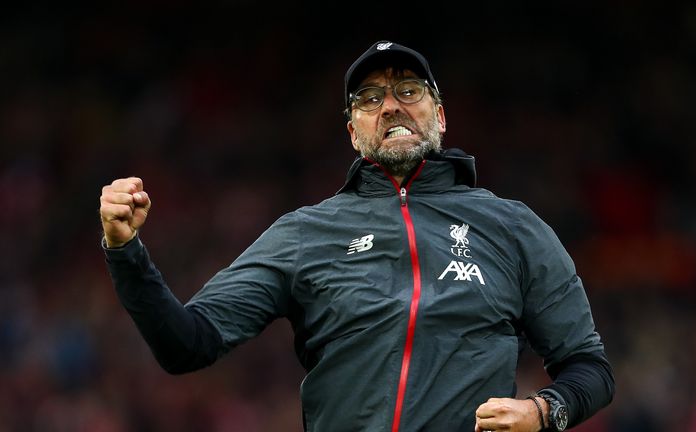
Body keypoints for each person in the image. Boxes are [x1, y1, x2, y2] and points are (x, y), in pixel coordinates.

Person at [99, 40, 614, 431]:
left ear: (439, 114)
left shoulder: (514, 226)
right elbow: (187, 344)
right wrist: (126, 252)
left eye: (408, 91)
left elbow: (588, 368)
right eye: (369, 98)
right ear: (353, 131)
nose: (390, 105)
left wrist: (544, 412)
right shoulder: (305, 232)